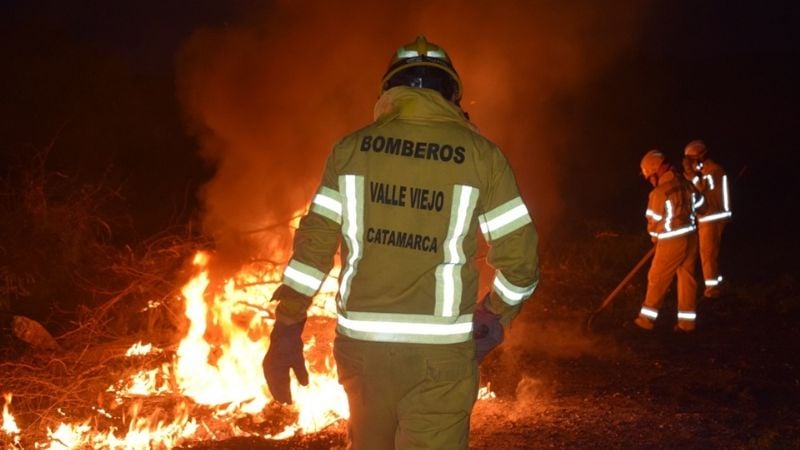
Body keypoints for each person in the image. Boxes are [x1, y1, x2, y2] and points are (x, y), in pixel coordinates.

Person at [262, 35, 540, 449]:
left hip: (363, 353)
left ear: (389, 90)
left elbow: (313, 251)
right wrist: (492, 316)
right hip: (440, 356)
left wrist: (286, 328)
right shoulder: (483, 155)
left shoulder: (350, 150)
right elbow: (521, 266)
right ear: (450, 94)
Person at [634, 150, 700, 333]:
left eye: (649, 177)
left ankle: (645, 321)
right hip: (691, 237)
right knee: (687, 279)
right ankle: (687, 324)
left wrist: (655, 237)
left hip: (671, 241)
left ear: (655, 171)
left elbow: (653, 221)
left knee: (657, 279)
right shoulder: (687, 184)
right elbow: (702, 205)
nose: (649, 180)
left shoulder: (659, 193)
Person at [683, 139, 732, 298]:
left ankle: (712, 291)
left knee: (708, 255)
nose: (689, 164)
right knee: (711, 254)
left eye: (690, 160)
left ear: (699, 157)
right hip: (710, 217)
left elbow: (702, 189)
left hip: (712, 217)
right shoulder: (710, 171)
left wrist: (691, 176)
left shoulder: (713, 171)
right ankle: (716, 284)